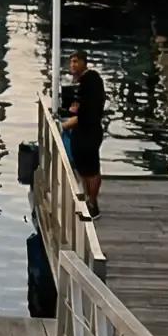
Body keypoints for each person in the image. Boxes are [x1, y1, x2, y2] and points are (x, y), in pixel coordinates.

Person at [60, 50, 108, 215]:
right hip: (82, 133)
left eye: (76, 61)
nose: (72, 65)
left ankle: (93, 204)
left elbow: (87, 113)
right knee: (84, 169)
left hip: (89, 132)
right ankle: (88, 199)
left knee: (92, 170)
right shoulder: (83, 83)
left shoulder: (91, 80)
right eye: (71, 62)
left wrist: (65, 125)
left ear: (83, 62)